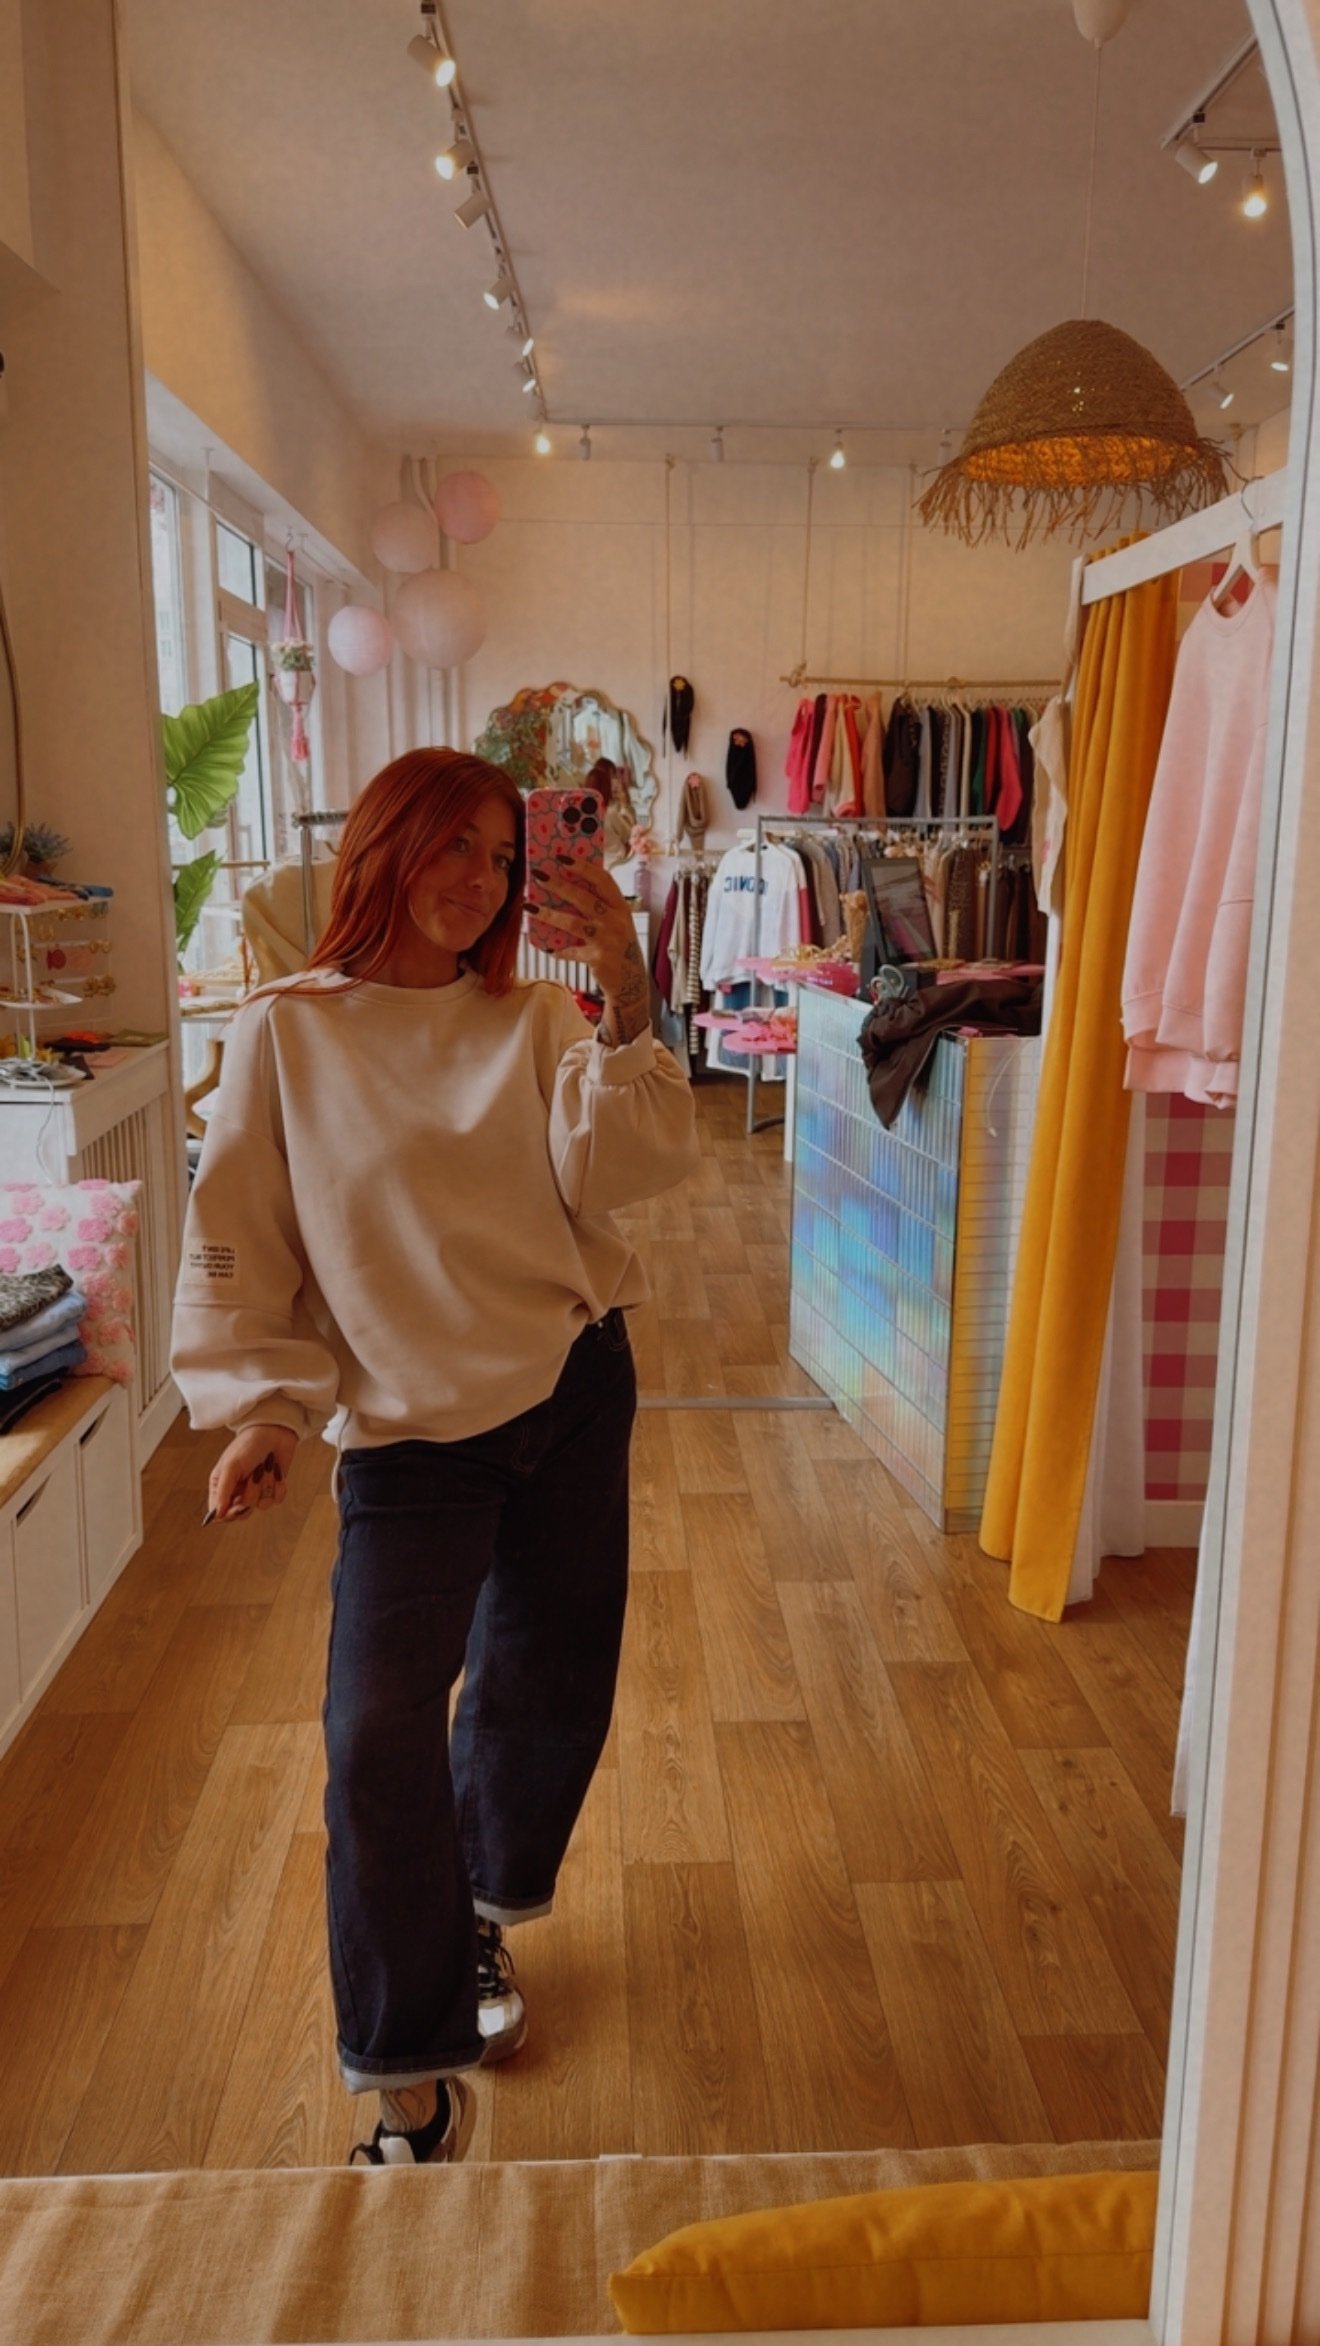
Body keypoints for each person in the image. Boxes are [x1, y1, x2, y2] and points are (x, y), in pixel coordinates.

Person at [171, 748, 698, 2167]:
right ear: (384, 846)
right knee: (373, 1729)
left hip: (569, 1383)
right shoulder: (287, 1032)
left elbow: (628, 1170)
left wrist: (628, 991)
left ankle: (470, 1912)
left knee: (547, 1672)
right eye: (453, 846)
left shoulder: (530, 1019)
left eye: (503, 856)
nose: (482, 880)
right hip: (408, 1435)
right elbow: (245, 1232)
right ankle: (408, 2079)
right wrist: (266, 1411)